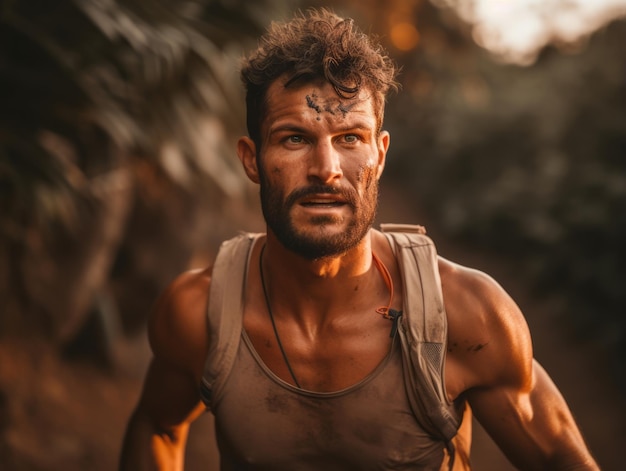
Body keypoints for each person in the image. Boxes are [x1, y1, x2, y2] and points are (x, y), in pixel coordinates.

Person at [120, 8, 599, 470]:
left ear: (380, 154)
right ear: (251, 159)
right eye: (294, 139)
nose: (325, 170)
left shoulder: (467, 314)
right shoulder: (198, 313)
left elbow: (563, 460)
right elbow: (157, 427)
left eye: (350, 138)